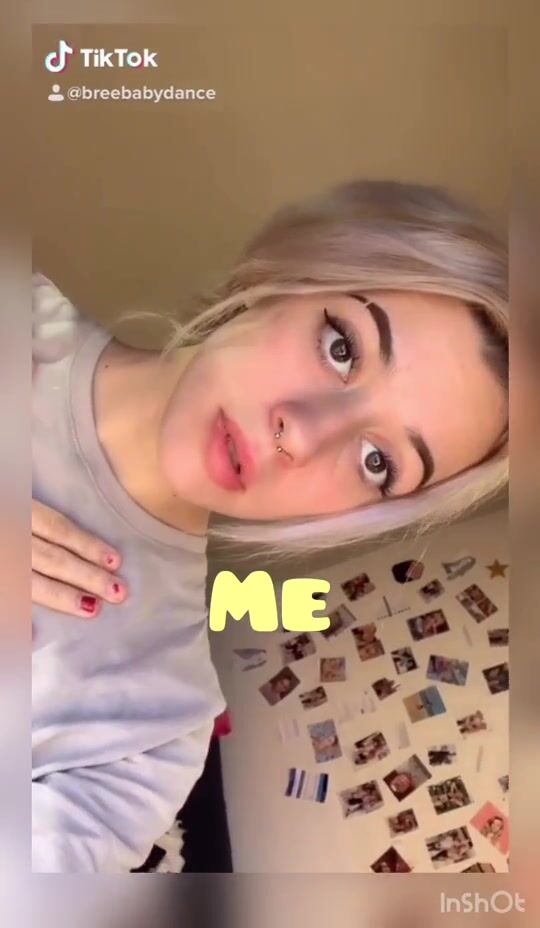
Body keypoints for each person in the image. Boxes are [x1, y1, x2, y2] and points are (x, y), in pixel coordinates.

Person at [32, 179, 509, 872]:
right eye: (342, 347)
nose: (305, 434)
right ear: (281, 278)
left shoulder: (159, 725)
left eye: (377, 461)